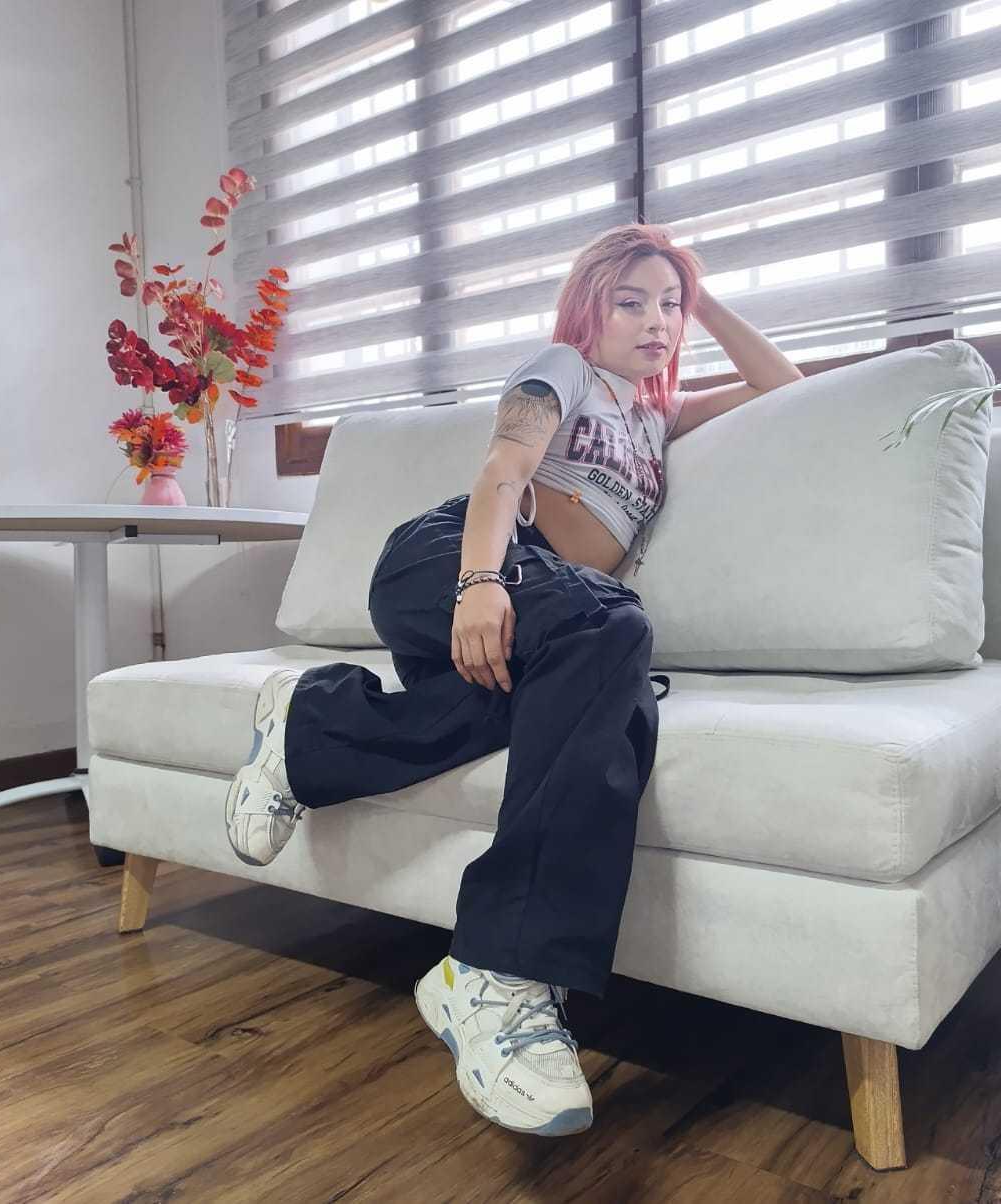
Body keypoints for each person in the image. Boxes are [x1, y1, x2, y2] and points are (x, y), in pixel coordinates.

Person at [220, 223, 801, 1137]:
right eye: (631, 302)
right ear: (589, 311)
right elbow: (505, 468)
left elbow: (785, 387)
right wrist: (481, 581)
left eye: (669, 306)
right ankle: (499, 971)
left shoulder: (658, 415)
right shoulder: (563, 371)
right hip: (454, 556)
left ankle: (308, 732)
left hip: (558, 616)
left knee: (596, 688)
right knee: (616, 626)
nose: (656, 321)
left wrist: (703, 293)